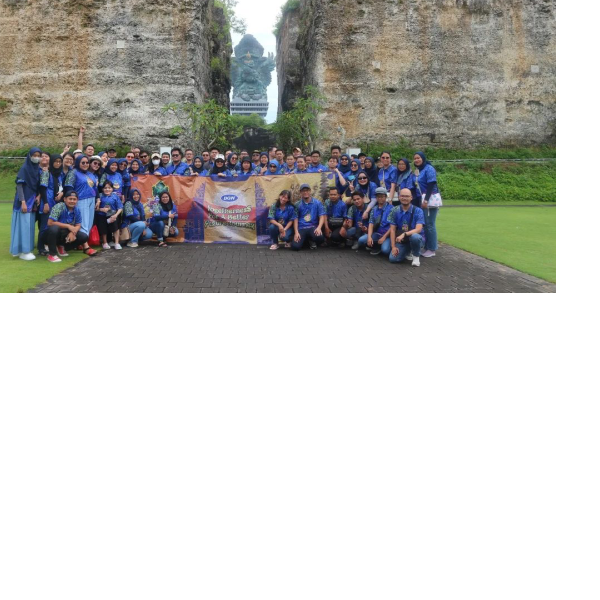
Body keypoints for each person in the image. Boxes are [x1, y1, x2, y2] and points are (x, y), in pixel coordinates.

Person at [63, 154, 98, 256]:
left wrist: (98, 199)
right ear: (78, 163)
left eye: (87, 162)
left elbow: (95, 188)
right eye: (83, 162)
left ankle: (80, 243)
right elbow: (68, 187)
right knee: (83, 224)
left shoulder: (90, 174)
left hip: (92, 199)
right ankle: (86, 247)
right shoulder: (73, 173)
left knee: (89, 223)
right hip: (81, 200)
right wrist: (71, 201)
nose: (85, 164)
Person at [40, 191, 89, 264]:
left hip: (65, 233)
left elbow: (78, 225)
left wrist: (73, 232)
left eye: (74, 199)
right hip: (49, 235)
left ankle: (61, 246)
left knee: (84, 237)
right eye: (70, 199)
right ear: (65, 199)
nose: (72, 201)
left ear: (77, 200)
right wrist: (68, 226)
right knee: (55, 228)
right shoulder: (59, 206)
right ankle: (52, 254)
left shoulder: (77, 210)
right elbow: (50, 223)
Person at [11, 147, 41, 261]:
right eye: (34, 155)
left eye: (38, 155)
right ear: (30, 156)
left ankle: (26, 249)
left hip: (32, 201)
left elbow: (38, 186)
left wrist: (38, 196)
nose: (36, 157)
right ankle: (24, 251)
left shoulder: (37, 169)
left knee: (29, 226)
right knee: (24, 226)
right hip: (24, 202)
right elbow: (19, 187)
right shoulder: (25, 169)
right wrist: (23, 202)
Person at [414, 152, 442, 258]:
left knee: (430, 224)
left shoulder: (429, 168)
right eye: (415, 158)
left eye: (418, 158)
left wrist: (426, 200)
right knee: (425, 224)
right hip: (421, 198)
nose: (416, 160)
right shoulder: (419, 170)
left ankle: (432, 248)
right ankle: (427, 246)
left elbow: (431, 184)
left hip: (429, 199)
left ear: (423, 158)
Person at [389, 188, 426, 268]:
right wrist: (393, 247)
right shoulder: (394, 210)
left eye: (407, 196)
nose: (404, 198)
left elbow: (418, 229)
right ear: (399, 197)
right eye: (402, 196)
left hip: (415, 238)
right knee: (393, 259)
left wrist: (404, 234)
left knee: (415, 237)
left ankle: (416, 256)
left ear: (411, 197)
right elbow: (392, 229)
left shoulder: (418, 211)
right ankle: (408, 250)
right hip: (403, 240)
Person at [358, 188, 394, 257]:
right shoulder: (374, 209)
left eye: (382, 196)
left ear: (386, 197)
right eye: (378, 196)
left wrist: (384, 237)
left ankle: (379, 246)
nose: (380, 198)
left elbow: (393, 227)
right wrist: (369, 237)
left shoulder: (392, 209)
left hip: (388, 235)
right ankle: (376, 246)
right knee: (361, 240)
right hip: (377, 233)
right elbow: (371, 223)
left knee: (385, 250)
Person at [292, 184, 326, 252]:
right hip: (302, 227)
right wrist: (296, 232)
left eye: (307, 190)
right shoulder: (297, 204)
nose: (305, 192)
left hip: (313, 227)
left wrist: (319, 228)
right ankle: (306, 241)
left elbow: (322, 216)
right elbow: (295, 219)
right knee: (295, 247)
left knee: (320, 237)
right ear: (300, 192)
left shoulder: (317, 203)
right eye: (303, 191)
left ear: (310, 191)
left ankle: (311, 240)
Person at [95, 181, 124, 250]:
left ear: (112, 189)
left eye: (109, 188)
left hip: (113, 215)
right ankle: (105, 243)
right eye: (105, 188)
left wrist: (116, 215)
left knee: (116, 228)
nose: (107, 189)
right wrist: (101, 209)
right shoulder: (99, 196)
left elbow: (120, 207)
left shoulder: (115, 196)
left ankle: (117, 243)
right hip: (102, 215)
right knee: (103, 228)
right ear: (102, 189)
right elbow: (95, 208)